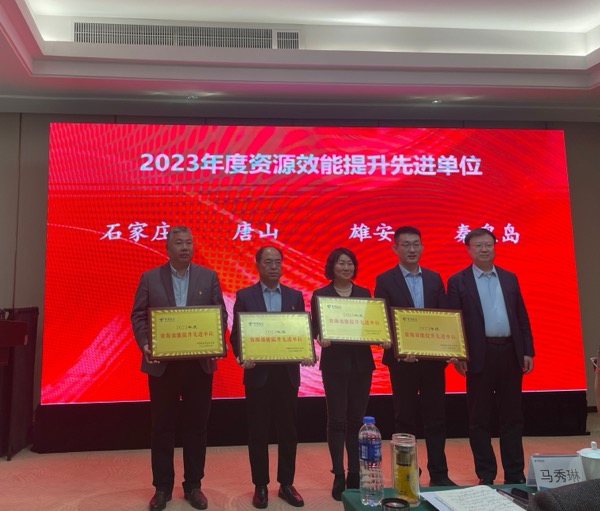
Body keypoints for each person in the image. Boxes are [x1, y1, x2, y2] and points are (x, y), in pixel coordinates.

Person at [131, 226, 227, 511]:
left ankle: (193, 485)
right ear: (167, 248)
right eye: (179, 243)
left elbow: (220, 314)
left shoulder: (208, 277)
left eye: (189, 243)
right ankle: (162, 488)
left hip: (198, 365)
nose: (185, 247)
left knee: (197, 427)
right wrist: (145, 343)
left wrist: (215, 338)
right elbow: (138, 315)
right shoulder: (149, 278)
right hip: (163, 366)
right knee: (162, 427)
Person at [447, 227, 534, 485]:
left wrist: (527, 350)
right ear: (468, 249)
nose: (484, 249)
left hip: (509, 352)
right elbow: (454, 321)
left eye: (488, 245)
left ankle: (515, 474)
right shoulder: (458, 281)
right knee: (479, 418)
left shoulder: (509, 277)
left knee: (512, 417)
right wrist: (458, 354)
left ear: (494, 247)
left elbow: (521, 316)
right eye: (478, 245)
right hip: (478, 355)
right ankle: (486, 475)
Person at [230, 246, 314, 509]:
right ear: (257, 265)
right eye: (268, 262)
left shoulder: (294, 296)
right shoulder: (245, 295)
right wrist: (242, 356)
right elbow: (237, 334)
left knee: (288, 431)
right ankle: (260, 485)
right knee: (258, 432)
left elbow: (301, 331)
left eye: (278, 262)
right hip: (258, 375)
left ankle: (286, 484)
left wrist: (305, 351)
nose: (274, 266)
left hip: (287, 375)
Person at [374, 225, 456, 487]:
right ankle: (407, 476)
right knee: (404, 418)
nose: (412, 249)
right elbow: (383, 319)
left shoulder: (434, 278)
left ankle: (439, 474)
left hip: (432, 360)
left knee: (436, 417)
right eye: (406, 245)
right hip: (403, 362)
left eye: (416, 244)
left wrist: (451, 348)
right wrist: (399, 349)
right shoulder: (385, 280)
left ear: (422, 247)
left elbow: (444, 317)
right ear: (395, 248)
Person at [310, 248, 379, 501]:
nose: (346, 267)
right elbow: (315, 327)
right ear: (332, 267)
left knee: (356, 420)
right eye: (341, 263)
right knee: (337, 420)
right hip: (334, 364)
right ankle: (338, 473)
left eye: (350, 263)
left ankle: (354, 473)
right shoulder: (321, 294)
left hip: (361, 364)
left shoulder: (364, 293)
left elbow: (371, 325)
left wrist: (380, 336)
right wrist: (320, 337)